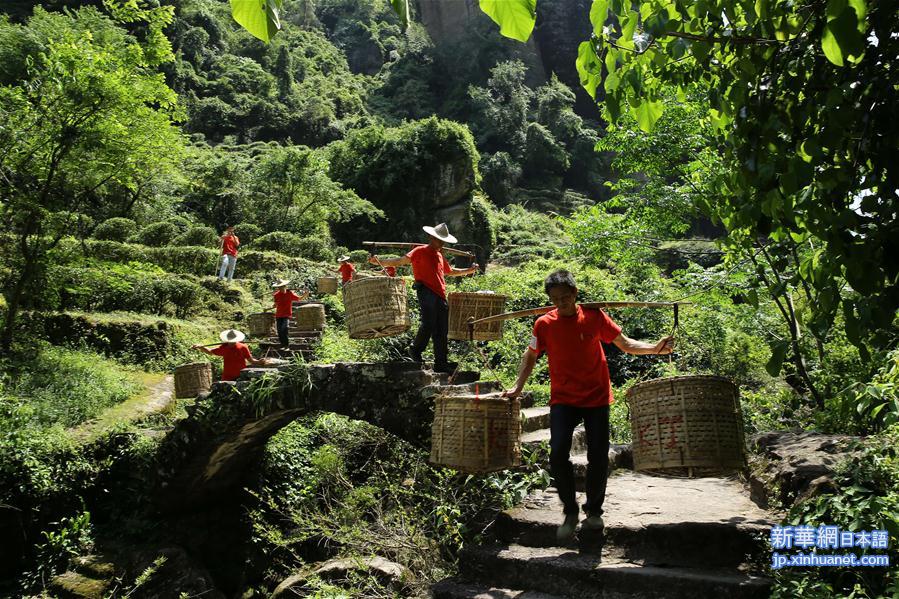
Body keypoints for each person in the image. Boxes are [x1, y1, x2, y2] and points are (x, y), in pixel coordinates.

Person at [503, 270, 674, 541]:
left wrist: (655, 348)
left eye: (565, 297)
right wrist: (518, 386)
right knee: (558, 452)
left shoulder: (595, 317)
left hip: (596, 398)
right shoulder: (543, 324)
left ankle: (593, 512)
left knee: (597, 455)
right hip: (563, 398)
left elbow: (625, 344)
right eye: (555, 299)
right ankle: (570, 510)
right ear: (550, 299)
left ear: (575, 293)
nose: (561, 303)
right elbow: (531, 354)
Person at [368, 223, 478, 373]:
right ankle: (415, 349)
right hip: (426, 291)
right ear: (431, 238)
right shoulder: (419, 251)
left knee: (442, 330)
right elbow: (399, 261)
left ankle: (441, 363)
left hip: (440, 295)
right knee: (429, 323)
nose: (442, 243)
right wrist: (379, 261)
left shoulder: (440, 256)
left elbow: (450, 271)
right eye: (439, 240)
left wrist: (469, 270)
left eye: (443, 240)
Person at [192, 329, 264, 381]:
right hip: (228, 376)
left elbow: (251, 360)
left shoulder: (243, 347)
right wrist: (201, 347)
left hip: (241, 375)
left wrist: (259, 362)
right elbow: (210, 352)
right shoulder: (224, 348)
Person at [271, 279, 309, 349]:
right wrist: (274, 305)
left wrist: (305, 294)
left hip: (286, 314)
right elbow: (275, 304)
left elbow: (299, 299)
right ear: (278, 288)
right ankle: (283, 345)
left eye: (282, 286)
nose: (281, 288)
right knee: (279, 331)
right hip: (278, 315)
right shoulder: (276, 295)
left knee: (284, 328)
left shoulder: (289, 293)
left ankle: (286, 345)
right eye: (279, 287)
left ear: (285, 286)